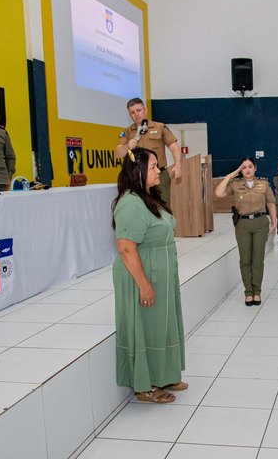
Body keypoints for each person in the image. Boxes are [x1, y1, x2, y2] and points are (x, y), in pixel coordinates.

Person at [111, 147, 186, 404]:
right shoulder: (130, 203)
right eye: (153, 166)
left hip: (160, 271)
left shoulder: (148, 197)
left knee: (162, 325)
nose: (158, 171)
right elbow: (126, 248)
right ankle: (145, 387)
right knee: (147, 328)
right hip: (141, 274)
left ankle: (164, 374)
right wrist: (144, 285)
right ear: (138, 171)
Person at [215, 157, 277, 306]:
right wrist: (230, 176)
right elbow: (219, 193)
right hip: (242, 224)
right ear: (240, 170)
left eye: (250, 166)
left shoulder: (264, 184)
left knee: (258, 260)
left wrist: (274, 222)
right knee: (245, 260)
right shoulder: (235, 184)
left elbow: (271, 203)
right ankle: (248, 292)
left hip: (260, 223)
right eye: (244, 167)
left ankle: (257, 291)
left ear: (255, 168)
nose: (247, 170)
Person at [115, 98, 182, 206]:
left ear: (145, 110)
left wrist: (178, 164)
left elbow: (174, 147)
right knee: (140, 207)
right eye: (132, 112)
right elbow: (119, 153)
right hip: (138, 178)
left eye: (139, 110)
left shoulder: (160, 127)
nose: (136, 114)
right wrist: (127, 146)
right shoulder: (127, 132)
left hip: (159, 175)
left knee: (163, 207)